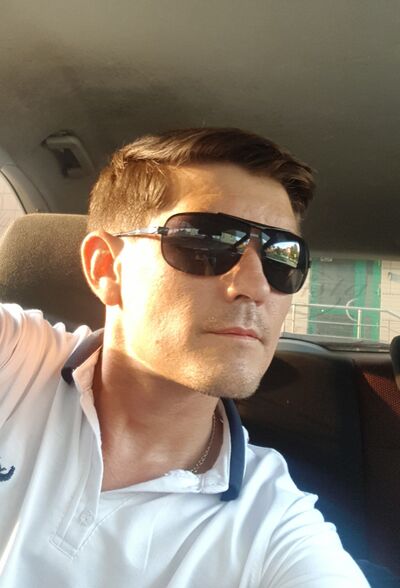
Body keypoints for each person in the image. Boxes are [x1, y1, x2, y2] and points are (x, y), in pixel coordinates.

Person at [0, 128, 370, 587]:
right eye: (206, 241)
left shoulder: (274, 527)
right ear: (106, 268)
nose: (255, 286)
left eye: (282, 258)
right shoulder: (15, 358)